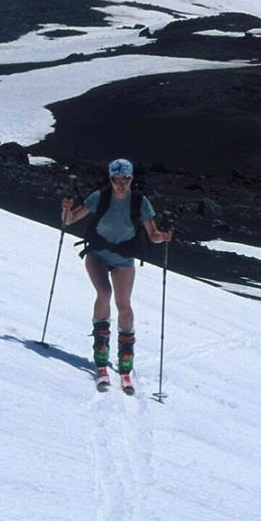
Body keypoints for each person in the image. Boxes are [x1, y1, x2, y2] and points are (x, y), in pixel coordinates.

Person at [60, 158, 173, 388]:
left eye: (125, 179)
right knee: (104, 292)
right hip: (97, 255)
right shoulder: (99, 197)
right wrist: (65, 210)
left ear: (131, 179)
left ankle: (125, 359)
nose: (121, 184)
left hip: (123, 259)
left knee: (124, 304)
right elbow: (69, 220)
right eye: (116, 179)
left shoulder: (140, 202)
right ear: (110, 179)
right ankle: (101, 353)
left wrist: (163, 236)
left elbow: (153, 234)